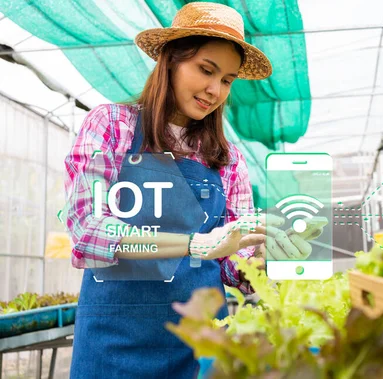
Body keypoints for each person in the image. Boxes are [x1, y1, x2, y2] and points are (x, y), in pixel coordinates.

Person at [64, 3, 309, 378]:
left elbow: (232, 264)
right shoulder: (113, 126)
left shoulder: (227, 160)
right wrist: (195, 244)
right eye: (206, 70)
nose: (215, 90)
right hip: (113, 343)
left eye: (227, 80)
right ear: (170, 60)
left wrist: (264, 252)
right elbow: (88, 232)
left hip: (200, 350)